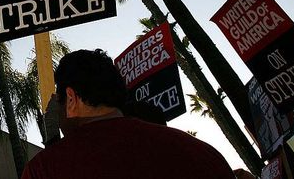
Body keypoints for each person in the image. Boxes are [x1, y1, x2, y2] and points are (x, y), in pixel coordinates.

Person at [21, 49, 236, 179]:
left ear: (70, 98)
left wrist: (52, 144)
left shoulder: (45, 169)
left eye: (58, 101)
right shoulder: (201, 152)